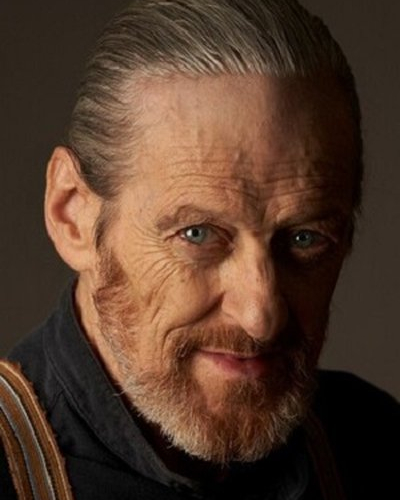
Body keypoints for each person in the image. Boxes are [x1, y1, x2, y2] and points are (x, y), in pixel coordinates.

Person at [1, 0, 398, 498]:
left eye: (305, 239)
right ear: (72, 215)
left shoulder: (375, 446)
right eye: (198, 235)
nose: (260, 317)